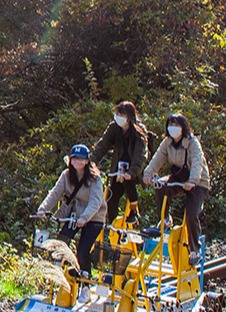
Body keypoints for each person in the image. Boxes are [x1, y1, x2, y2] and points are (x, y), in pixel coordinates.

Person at [143, 112, 212, 251]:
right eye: (170, 124)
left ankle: (194, 249)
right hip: (180, 178)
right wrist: (148, 174)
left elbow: (198, 162)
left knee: (191, 215)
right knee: (160, 185)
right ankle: (165, 218)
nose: (173, 127)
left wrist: (192, 181)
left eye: (176, 125)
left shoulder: (192, 143)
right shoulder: (167, 142)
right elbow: (158, 158)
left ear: (183, 127)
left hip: (198, 182)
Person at [35, 143, 108, 274]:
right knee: (61, 242)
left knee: (83, 250)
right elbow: (55, 193)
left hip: (93, 218)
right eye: (74, 158)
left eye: (81, 159)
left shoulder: (95, 179)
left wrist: (85, 218)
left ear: (87, 161)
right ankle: (59, 274)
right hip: (74, 216)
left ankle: (85, 283)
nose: (77, 162)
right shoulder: (66, 175)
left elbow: (95, 202)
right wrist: (43, 208)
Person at [91, 100, 149, 223]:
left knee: (129, 183)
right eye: (117, 114)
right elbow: (102, 145)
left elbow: (141, 155)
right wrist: (92, 162)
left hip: (133, 168)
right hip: (118, 167)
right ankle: (112, 226)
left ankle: (134, 211)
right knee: (111, 198)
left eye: (122, 115)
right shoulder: (114, 128)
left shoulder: (139, 131)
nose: (119, 117)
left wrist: (132, 172)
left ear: (129, 116)